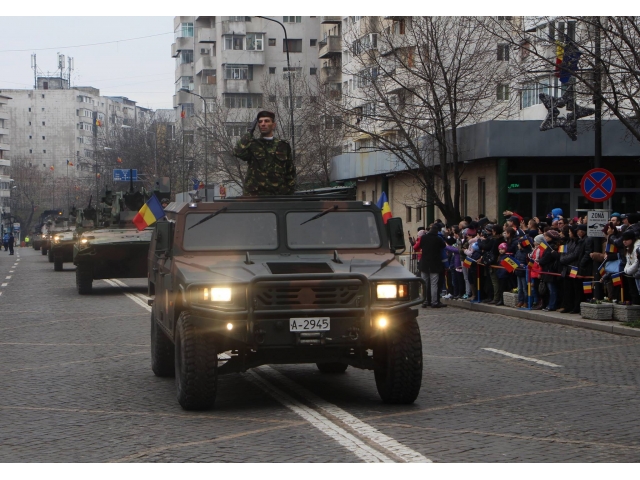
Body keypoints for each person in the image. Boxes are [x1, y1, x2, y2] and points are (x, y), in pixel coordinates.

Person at [233, 110, 296, 196]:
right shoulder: (252, 144)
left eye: (266, 121)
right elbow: (238, 152)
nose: (263, 124)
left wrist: (288, 193)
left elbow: (290, 172)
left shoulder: (283, 145)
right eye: (260, 122)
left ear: (273, 125)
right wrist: (249, 132)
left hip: (278, 196)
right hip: (255, 196)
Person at [417, 225, 447, 308]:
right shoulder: (438, 239)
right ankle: (434, 302)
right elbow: (443, 246)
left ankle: (425, 301)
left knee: (424, 283)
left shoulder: (424, 237)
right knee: (434, 284)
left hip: (424, 264)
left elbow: (420, 246)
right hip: (435, 264)